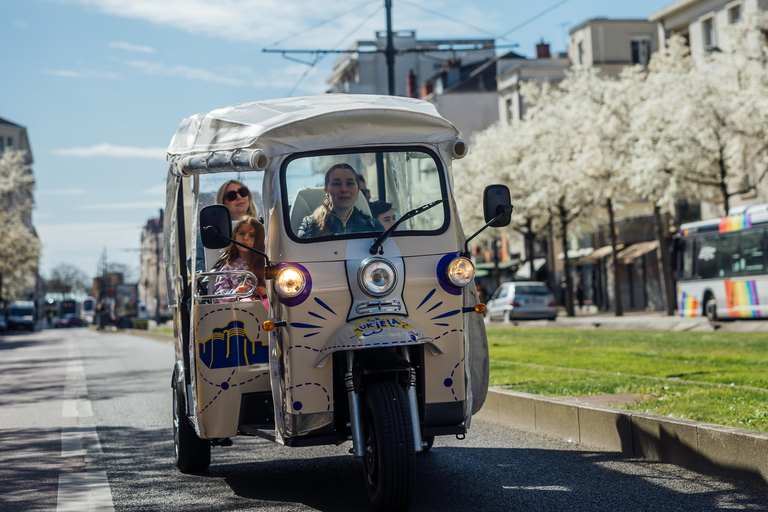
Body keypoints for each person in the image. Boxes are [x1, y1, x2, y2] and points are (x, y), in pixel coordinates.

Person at [194, 179, 259, 272]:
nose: (239, 197)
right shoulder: (212, 231)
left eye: (243, 192)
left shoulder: (262, 226)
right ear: (223, 203)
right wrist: (208, 281)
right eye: (231, 195)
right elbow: (195, 261)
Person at [297, 163, 375, 238]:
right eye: (337, 184)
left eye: (350, 183)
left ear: (358, 191)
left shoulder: (372, 225)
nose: (344, 189)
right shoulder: (311, 225)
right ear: (326, 191)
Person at [213, 216, 267, 304]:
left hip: (263, 311)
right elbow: (218, 298)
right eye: (241, 233)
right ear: (234, 236)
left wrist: (265, 292)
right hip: (237, 313)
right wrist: (236, 293)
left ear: (259, 240)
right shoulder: (228, 268)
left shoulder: (265, 265)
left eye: (252, 235)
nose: (245, 238)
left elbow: (280, 292)